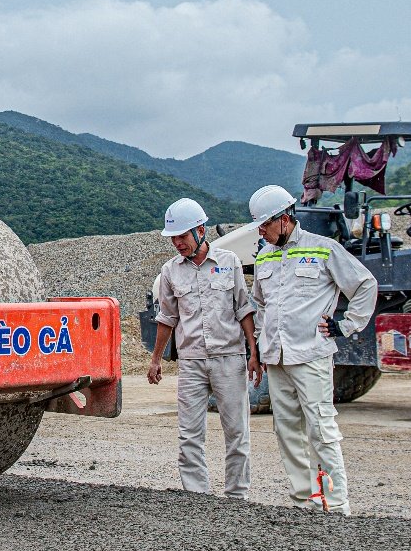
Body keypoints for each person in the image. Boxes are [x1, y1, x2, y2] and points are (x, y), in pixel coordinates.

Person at [248, 184, 377, 515]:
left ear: (285, 219)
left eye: (265, 225)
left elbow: (365, 285)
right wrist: (260, 347)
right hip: (276, 358)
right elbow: (261, 304)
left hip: (311, 356)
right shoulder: (265, 255)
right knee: (286, 428)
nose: (261, 232)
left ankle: (335, 504)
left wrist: (346, 326)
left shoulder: (324, 249)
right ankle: (304, 501)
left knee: (321, 428)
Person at [147, 197, 263, 498]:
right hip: (192, 362)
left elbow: (243, 309)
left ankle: (237, 498)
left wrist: (254, 354)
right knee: (189, 435)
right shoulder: (171, 271)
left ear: (200, 230)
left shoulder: (229, 263)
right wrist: (156, 359)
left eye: (182, 236)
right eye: (173, 237)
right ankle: (197, 499)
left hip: (230, 359)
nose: (177, 243)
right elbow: (167, 318)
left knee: (237, 432)